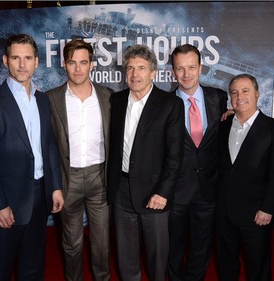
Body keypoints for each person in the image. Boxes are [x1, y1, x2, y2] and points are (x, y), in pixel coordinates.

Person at [0, 33, 64, 281]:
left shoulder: (43, 100)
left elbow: (50, 146)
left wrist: (55, 186)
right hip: (7, 201)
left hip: (39, 197)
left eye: (27, 58)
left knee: (33, 267)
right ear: (5, 60)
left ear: (36, 62)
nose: (22, 64)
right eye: (16, 58)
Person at [107, 44, 184, 281]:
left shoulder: (170, 104)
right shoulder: (117, 100)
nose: (134, 74)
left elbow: (175, 155)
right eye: (130, 68)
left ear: (153, 73)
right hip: (121, 189)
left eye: (141, 68)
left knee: (157, 256)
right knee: (126, 255)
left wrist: (163, 192)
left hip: (154, 193)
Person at [47, 39, 113, 281]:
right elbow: (48, 146)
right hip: (68, 179)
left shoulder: (108, 97)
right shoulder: (51, 98)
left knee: (101, 244)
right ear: (64, 64)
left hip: (100, 178)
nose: (77, 69)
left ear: (92, 65)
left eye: (83, 63)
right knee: (71, 244)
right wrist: (55, 185)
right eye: (72, 63)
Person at [168, 44, 228, 281]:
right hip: (176, 192)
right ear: (173, 71)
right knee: (173, 249)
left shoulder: (219, 98)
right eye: (180, 68)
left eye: (191, 67)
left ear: (201, 67)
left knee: (201, 248)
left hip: (208, 189)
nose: (186, 74)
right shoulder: (164, 103)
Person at [216, 73, 274, 281]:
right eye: (234, 92)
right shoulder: (223, 125)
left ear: (257, 94)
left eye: (245, 91)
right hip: (224, 212)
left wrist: (268, 208)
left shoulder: (271, 128)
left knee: (258, 267)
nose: (239, 96)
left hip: (256, 214)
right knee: (226, 264)